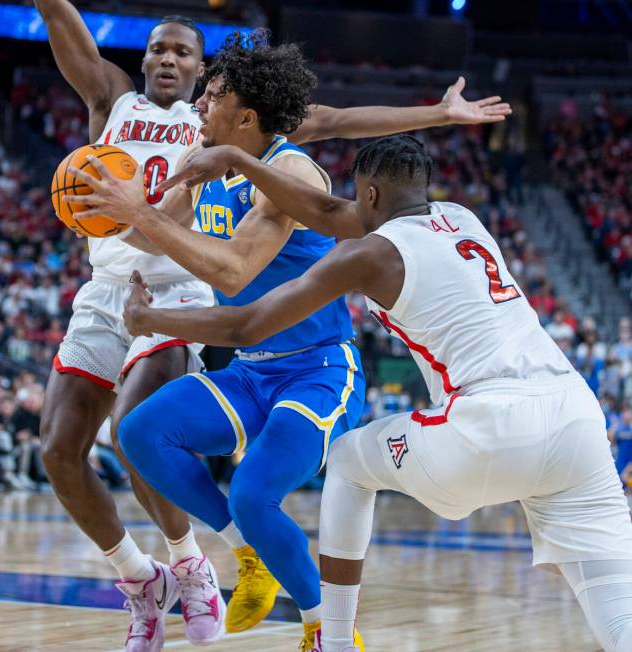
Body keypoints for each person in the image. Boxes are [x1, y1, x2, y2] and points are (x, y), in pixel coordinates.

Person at [37, 3, 510, 648]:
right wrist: (123, 217)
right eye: (160, 53)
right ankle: (237, 554)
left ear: (241, 107)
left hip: (314, 366)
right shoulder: (191, 149)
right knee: (140, 433)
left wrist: (438, 112)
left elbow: (236, 271)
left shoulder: (283, 163)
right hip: (240, 357)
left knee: (252, 494)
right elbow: (160, 220)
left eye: (210, 88)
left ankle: (326, 629)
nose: (198, 98)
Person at [118, 134, 632, 652]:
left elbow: (249, 324)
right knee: (620, 621)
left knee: (346, 460)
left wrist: (147, 317)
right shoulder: (461, 217)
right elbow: (322, 208)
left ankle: (333, 642)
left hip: (491, 421)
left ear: (369, 195)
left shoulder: (369, 255)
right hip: (576, 417)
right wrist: (235, 159)